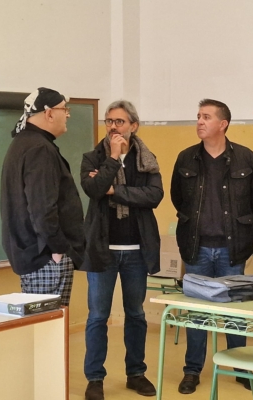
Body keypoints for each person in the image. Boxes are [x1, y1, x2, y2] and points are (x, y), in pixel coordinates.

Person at [171, 99, 253, 394]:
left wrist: (238, 225)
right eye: (198, 116)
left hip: (232, 247)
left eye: (206, 117)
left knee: (234, 311)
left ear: (223, 124)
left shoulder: (245, 158)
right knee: (198, 312)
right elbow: (178, 198)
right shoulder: (186, 158)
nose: (199, 121)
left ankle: (240, 366)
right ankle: (192, 370)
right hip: (197, 246)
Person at [80, 100, 163, 400]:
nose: (113, 127)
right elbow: (92, 189)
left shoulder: (147, 159)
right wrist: (113, 158)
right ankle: (95, 378)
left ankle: (136, 373)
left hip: (137, 251)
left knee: (136, 314)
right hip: (102, 249)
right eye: (109, 121)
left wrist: (114, 189)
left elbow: (154, 195)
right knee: (97, 316)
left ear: (133, 125)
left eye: (120, 121)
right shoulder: (93, 157)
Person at [1, 87, 85, 306]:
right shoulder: (40, 149)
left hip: (37, 256)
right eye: (64, 109)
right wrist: (58, 249)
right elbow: (42, 209)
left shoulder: (24, 143)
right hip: (46, 258)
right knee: (50, 330)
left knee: (42, 329)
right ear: (48, 113)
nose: (67, 114)